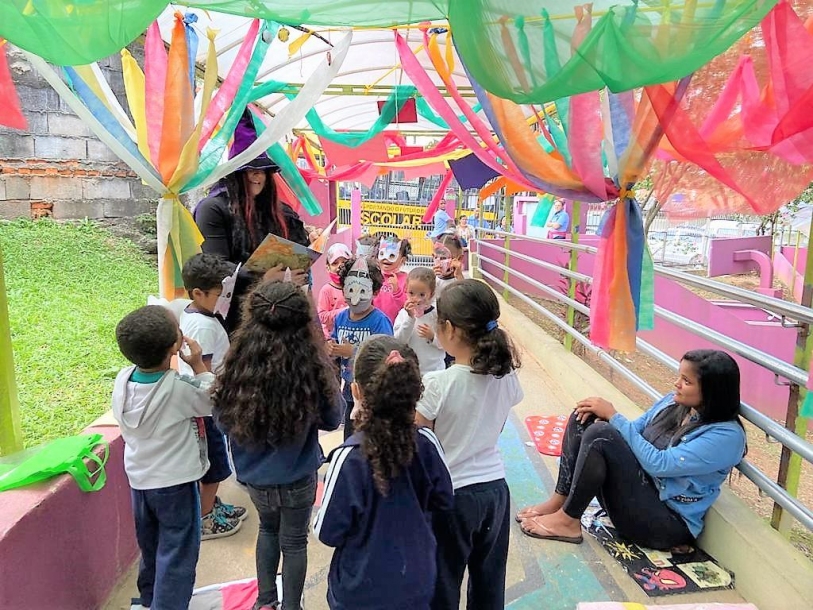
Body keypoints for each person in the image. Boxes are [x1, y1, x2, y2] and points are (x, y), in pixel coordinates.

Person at [516, 349, 747, 552]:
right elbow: (634, 430)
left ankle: (568, 522)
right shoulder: (673, 402)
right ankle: (560, 501)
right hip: (634, 497)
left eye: (686, 381)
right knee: (585, 417)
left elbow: (660, 464)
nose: (677, 384)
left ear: (712, 391)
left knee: (601, 434)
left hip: (664, 523)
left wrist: (613, 417)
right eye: (679, 376)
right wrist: (605, 419)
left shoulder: (726, 436)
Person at [212, 280, 345, 610]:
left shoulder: (236, 366)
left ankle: (265, 601)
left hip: (255, 479)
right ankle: (291, 606)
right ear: (302, 322)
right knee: (295, 542)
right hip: (298, 477)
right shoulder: (312, 367)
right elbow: (333, 419)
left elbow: (222, 422)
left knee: (268, 530)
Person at [313, 336, 454, 610]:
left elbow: (327, 532)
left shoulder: (348, 458)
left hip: (359, 590)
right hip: (416, 581)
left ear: (356, 390)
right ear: (415, 391)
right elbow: (445, 500)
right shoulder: (427, 443)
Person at [416, 280, 523, 610]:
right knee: (490, 585)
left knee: (442, 585)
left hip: (452, 496)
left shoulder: (438, 383)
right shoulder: (506, 377)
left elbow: (421, 442)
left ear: (448, 328)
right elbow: (496, 425)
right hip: (495, 493)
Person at [111, 306, 214, 610]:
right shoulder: (177, 389)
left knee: (152, 546)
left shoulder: (123, 380)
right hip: (176, 484)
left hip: (140, 482)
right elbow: (212, 399)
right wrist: (198, 365)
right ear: (174, 345)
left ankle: (150, 599)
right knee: (178, 554)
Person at [194, 109, 311, 334]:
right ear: (235, 173)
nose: (257, 176)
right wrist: (262, 280)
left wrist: (293, 274)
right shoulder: (213, 209)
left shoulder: (280, 211)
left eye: (262, 170)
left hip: (279, 314)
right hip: (233, 318)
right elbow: (215, 267)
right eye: (250, 169)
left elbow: (298, 251)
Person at [178, 253, 247, 540]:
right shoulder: (204, 326)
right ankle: (205, 519)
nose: (225, 300)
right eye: (221, 294)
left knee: (212, 464)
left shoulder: (196, 314)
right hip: (206, 409)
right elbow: (202, 370)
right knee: (214, 468)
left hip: (205, 405)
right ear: (198, 293)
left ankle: (210, 506)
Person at [328, 256, 394, 439]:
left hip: (374, 390)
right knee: (351, 434)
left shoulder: (379, 321)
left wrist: (354, 352)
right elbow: (334, 340)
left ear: (375, 292)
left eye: (363, 290)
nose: (355, 298)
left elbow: (387, 353)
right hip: (350, 387)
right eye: (350, 289)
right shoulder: (341, 318)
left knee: (372, 435)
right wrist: (331, 347)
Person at [393, 267, 446, 374]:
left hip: (435, 371)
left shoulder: (438, 314)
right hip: (410, 372)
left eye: (422, 295)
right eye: (411, 293)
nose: (416, 298)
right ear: (406, 290)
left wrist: (432, 337)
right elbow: (399, 342)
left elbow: (446, 344)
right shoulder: (403, 314)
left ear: (431, 294)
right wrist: (410, 319)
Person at [373, 236, 411, 323]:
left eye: (392, 255)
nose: (386, 258)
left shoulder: (407, 279)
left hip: (396, 325)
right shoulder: (374, 276)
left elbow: (407, 305)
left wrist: (397, 291)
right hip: (375, 325)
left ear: (402, 260)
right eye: (382, 254)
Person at [317, 243, 353, 338]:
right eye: (334, 263)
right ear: (328, 268)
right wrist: (344, 311)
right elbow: (322, 316)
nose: (340, 266)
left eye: (344, 262)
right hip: (332, 339)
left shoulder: (357, 287)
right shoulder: (326, 290)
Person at [432, 234, 465, 299]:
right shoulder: (431, 279)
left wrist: (459, 277)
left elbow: (466, 298)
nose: (441, 262)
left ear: (459, 259)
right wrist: (430, 280)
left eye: (445, 258)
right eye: (437, 257)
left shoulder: (462, 280)